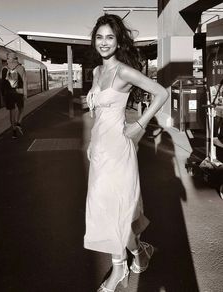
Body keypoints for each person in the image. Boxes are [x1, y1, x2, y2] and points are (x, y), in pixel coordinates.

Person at [84, 14, 169, 292]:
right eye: (100, 37)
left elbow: (160, 93)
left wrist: (140, 125)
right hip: (99, 150)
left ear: (118, 40)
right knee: (103, 207)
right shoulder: (97, 72)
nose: (104, 42)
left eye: (110, 37)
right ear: (94, 40)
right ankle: (139, 250)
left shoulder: (123, 71)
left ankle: (119, 270)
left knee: (118, 208)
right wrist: (91, 143)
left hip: (119, 149)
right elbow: (99, 115)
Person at [1, 52, 27, 138]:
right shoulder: (21, 68)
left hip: (9, 93)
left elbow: (2, 83)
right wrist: (25, 94)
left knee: (12, 112)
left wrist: (3, 95)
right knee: (21, 109)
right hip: (19, 92)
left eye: (8, 58)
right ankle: (18, 123)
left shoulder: (4, 68)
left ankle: (14, 131)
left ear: (10, 59)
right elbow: (25, 82)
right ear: (16, 59)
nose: (7, 59)